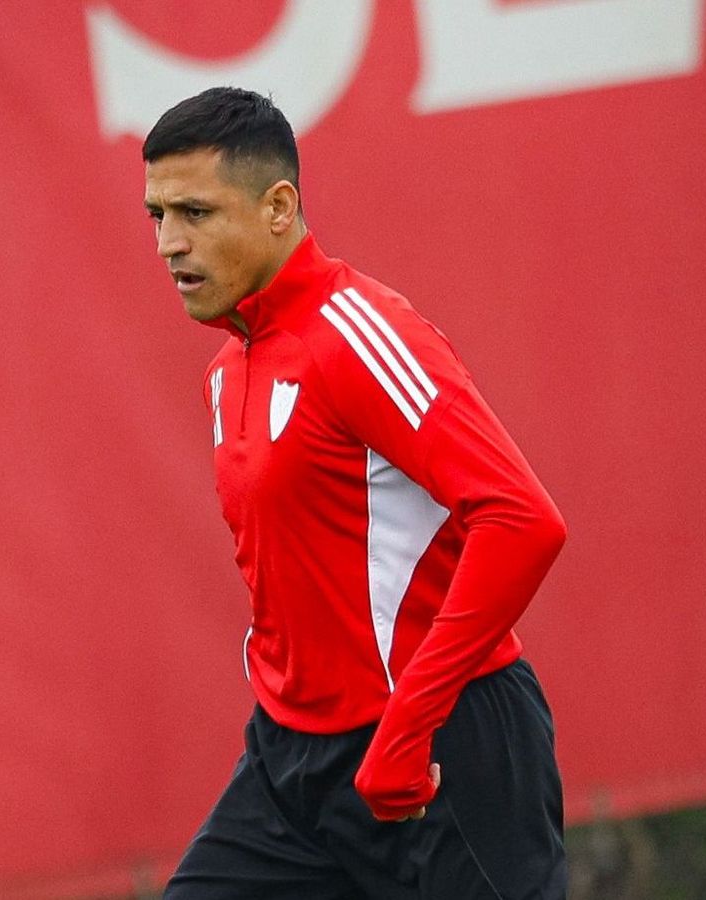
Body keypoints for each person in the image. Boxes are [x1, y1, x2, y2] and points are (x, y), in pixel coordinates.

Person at [143, 87, 569, 899]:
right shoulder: (227, 369)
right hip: (292, 765)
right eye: (157, 215)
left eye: (195, 212)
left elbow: (524, 521)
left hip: (446, 747)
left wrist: (409, 728)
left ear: (279, 207)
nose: (170, 242)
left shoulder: (358, 333)